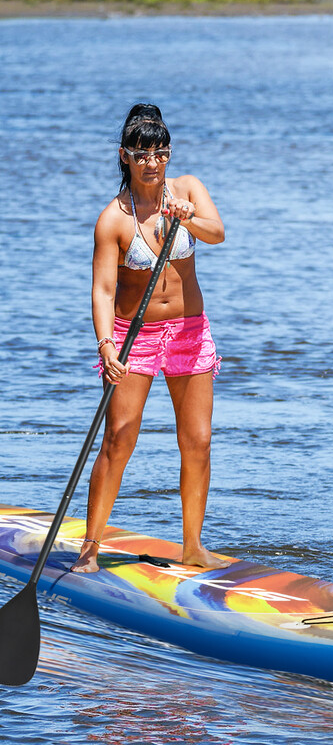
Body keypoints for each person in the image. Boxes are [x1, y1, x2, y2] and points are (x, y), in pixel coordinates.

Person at [72, 103, 227, 573]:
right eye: (142, 154)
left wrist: (187, 219)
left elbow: (217, 233)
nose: (152, 163)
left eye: (160, 153)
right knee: (119, 438)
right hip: (131, 337)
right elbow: (102, 290)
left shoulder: (188, 190)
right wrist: (106, 347)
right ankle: (90, 547)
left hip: (189, 332)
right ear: (125, 156)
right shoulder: (113, 219)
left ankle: (193, 546)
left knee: (197, 441)